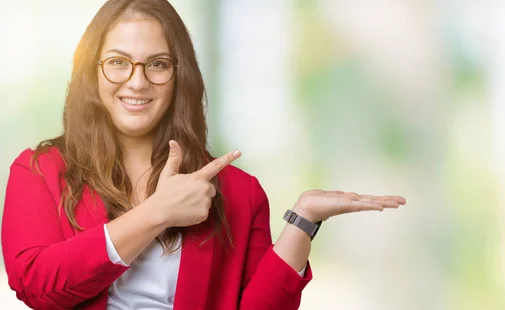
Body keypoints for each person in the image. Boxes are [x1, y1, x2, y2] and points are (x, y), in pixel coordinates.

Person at [1, 0, 406, 309]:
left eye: (157, 64)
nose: (137, 81)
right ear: (92, 71)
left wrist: (304, 220)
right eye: (118, 63)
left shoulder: (238, 192)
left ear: (180, 76)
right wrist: (157, 211)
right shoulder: (40, 171)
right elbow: (37, 287)